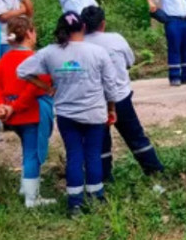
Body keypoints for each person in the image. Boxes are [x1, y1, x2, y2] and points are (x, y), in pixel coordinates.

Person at [17, 12, 118, 217]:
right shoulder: (98, 52)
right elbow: (111, 86)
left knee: (74, 155)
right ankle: (96, 197)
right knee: (93, 155)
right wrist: (111, 109)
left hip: (66, 114)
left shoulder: (50, 52)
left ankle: (75, 204)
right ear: (83, 27)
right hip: (94, 113)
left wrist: (45, 87)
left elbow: (22, 70)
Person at [82, 6, 165, 181]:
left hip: (94, 101)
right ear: (103, 23)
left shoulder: (78, 45)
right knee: (136, 137)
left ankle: (104, 179)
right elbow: (130, 61)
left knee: (100, 143)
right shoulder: (116, 39)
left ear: (83, 25)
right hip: (120, 98)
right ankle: (155, 173)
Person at [0, 16, 55, 207]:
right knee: (33, 154)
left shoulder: (4, 59)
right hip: (31, 113)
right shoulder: (36, 60)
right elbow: (34, 89)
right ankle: (32, 198)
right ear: (29, 33)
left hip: (12, 116)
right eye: (34, 31)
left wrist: (1, 106)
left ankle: (25, 186)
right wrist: (15, 106)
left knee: (27, 150)